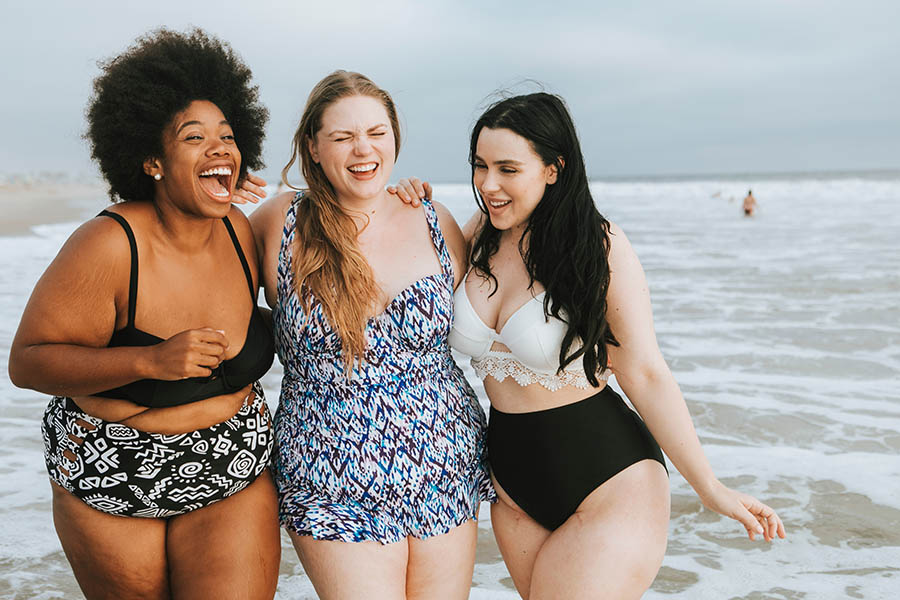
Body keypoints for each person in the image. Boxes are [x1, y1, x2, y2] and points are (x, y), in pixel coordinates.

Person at [391, 92, 785, 599]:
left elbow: (644, 372)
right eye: (480, 166)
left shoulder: (598, 246)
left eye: (508, 168)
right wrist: (400, 200)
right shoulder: (479, 234)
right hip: (512, 486)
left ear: (554, 168)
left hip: (609, 481)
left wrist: (709, 487)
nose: (488, 184)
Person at [8, 29, 280, 599]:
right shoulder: (108, 244)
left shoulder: (242, 232)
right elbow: (29, 364)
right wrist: (150, 360)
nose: (220, 149)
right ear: (153, 159)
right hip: (112, 471)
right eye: (195, 137)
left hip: (233, 465)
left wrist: (406, 196)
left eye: (228, 138)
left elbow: (338, 223)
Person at [247, 71, 493, 599]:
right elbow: (200, 289)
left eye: (377, 133)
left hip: (442, 459)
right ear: (312, 147)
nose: (364, 149)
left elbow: (504, 298)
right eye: (342, 137)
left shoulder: (434, 218)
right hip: (328, 467)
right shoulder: (278, 223)